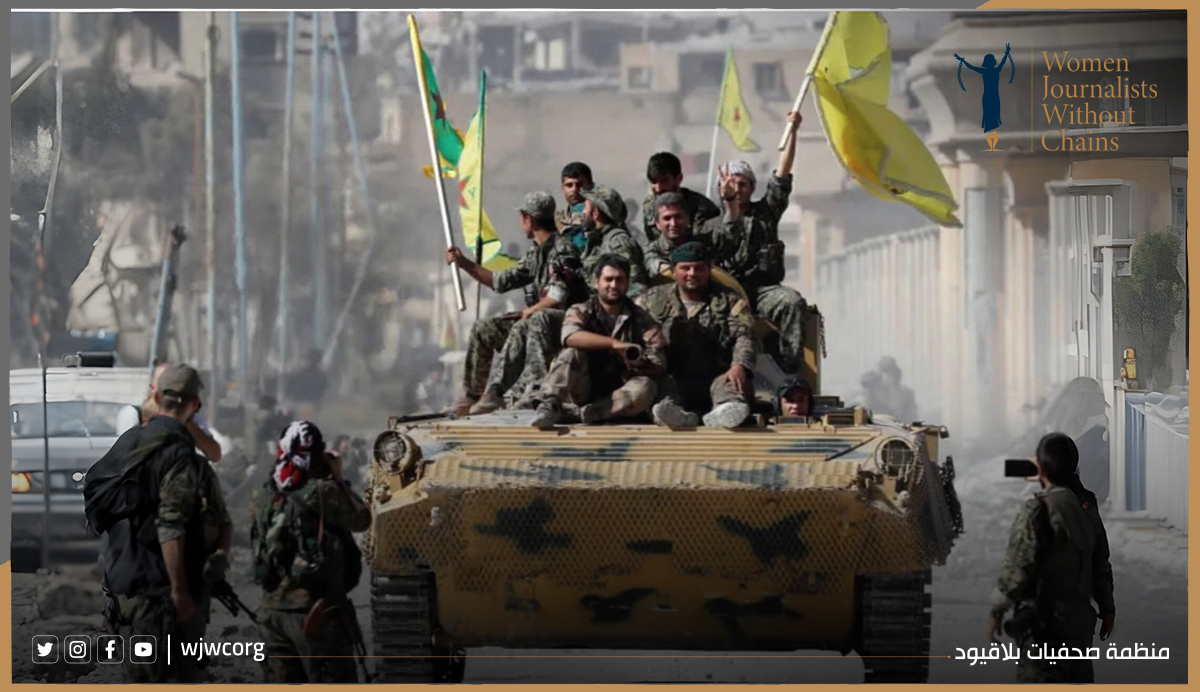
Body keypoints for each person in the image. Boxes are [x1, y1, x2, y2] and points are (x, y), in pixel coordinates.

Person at [108, 364, 231, 683]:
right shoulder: (182, 460)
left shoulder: (128, 447)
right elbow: (171, 526)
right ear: (195, 403)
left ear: (157, 395)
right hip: (160, 594)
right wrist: (180, 592)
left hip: (127, 585)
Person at [251, 421, 372, 683]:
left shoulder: (264, 493)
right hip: (314, 613)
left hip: (271, 613)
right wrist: (338, 479)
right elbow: (362, 518)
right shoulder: (321, 492)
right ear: (316, 454)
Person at [989, 433, 1116, 684]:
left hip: (1044, 630)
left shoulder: (1037, 510)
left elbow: (1018, 567)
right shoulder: (1086, 506)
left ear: (1041, 468)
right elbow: (1100, 562)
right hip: (1079, 628)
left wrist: (997, 611)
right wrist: (1108, 609)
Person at [446, 192, 585, 416]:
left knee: (533, 320)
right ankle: (472, 394)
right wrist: (464, 263)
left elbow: (558, 297)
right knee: (484, 328)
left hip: (565, 325)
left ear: (529, 219)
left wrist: (528, 311)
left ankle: (526, 390)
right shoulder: (536, 253)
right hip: (538, 322)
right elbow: (500, 281)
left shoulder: (562, 250)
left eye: (521, 217)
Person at [710, 110, 809, 376]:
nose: (737, 189)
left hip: (762, 291)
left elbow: (782, 174)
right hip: (724, 294)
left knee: (792, 302)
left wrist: (792, 130)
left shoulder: (765, 213)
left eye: (743, 184)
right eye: (730, 183)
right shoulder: (709, 222)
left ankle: (790, 371)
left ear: (752, 188)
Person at [529, 254, 666, 428]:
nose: (613, 285)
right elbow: (570, 336)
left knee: (646, 387)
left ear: (627, 283)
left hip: (619, 391)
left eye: (619, 280)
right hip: (584, 384)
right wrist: (614, 344)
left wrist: (639, 362)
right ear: (596, 282)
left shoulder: (641, 318)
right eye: (608, 279)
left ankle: (581, 414)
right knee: (570, 353)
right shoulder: (582, 310)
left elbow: (659, 361)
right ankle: (548, 406)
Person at [638, 241, 756, 429]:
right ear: (674, 271)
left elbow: (745, 334)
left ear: (709, 269)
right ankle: (680, 417)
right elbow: (634, 331)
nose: (692, 274)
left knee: (730, 388)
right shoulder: (652, 299)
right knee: (664, 398)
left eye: (699, 268)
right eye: (685, 268)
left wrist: (739, 365)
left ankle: (723, 412)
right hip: (673, 375)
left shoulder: (729, 299)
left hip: (718, 373)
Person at [142, 361, 223, 462]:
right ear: (153, 388)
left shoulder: (189, 419)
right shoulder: (136, 416)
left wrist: (187, 422)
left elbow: (214, 454)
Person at [641, 152, 721, 243]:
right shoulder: (649, 205)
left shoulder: (703, 208)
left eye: (664, 180)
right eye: (654, 182)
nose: (658, 188)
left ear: (679, 178)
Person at [954, 44, 1012, 150]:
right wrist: (961, 60)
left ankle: (993, 143)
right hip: (990, 98)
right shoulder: (991, 71)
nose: (994, 61)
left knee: (994, 121)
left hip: (993, 98)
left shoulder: (991, 71)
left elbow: (972, 67)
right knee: (991, 121)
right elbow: (972, 67)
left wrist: (1007, 53)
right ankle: (992, 143)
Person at [555, 161, 595, 242]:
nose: (574, 189)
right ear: (562, 189)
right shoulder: (560, 219)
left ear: (591, 186)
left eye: (579, 185)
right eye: (569, 185)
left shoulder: (600, 215)